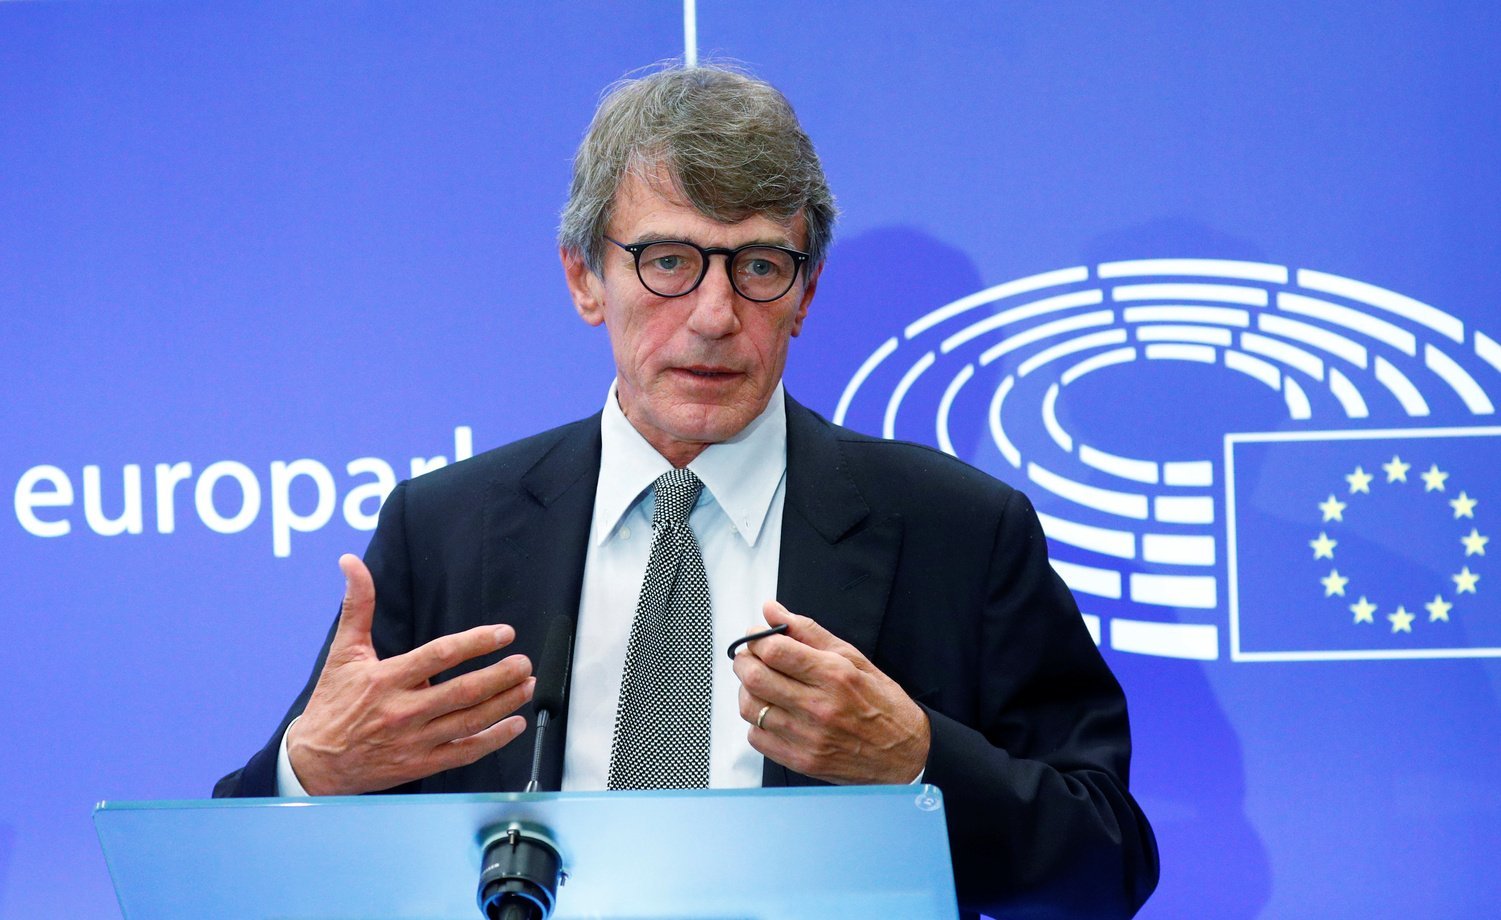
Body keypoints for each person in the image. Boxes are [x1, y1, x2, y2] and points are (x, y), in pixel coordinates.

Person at [215, 63, 1159, 917]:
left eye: (759, 267)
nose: (714, 315)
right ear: (585, 278)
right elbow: (231, 874)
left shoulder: (958, 531)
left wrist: (915, 762)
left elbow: (1106, 865)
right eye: (668, 261)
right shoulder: (445, 530)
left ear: (806, 294)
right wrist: (313, 774)